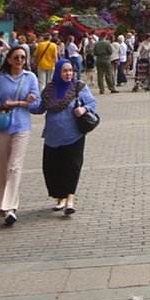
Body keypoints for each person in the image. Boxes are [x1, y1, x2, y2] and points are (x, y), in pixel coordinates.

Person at [0, 45, 41, 226]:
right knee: (2, 165)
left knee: (15, 166)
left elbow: (36, 102)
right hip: (2, 125)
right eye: (16, 57)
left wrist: (24, 102)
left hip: (22, 125)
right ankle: (1, 202)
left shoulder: (30, 77)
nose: (20, 61)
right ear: (8, 59)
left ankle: (10, 207)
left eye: (23, 57)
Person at [38, 59, 98, 216]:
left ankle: (70, 199)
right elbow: (39, 108)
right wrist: (25, 102)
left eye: (70, 70)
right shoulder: (49, 90)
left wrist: (84, 109)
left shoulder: (78, 86)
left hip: (74, 135)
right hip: (52, 137)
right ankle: (60, 198)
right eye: (65, 71)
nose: (68, 74)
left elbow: (92, 102)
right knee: (52, 169)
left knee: (72, 167)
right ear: (58, 72)